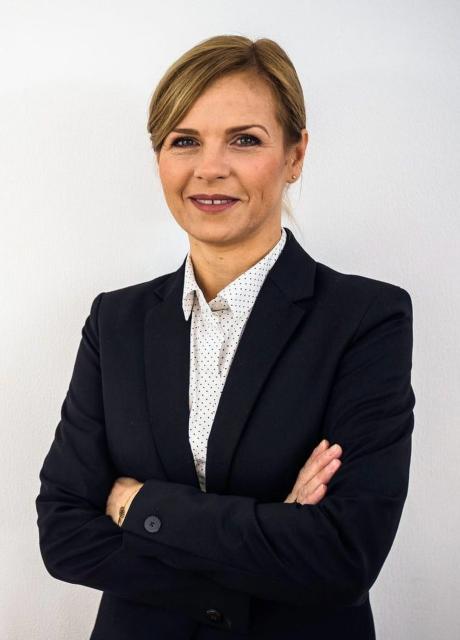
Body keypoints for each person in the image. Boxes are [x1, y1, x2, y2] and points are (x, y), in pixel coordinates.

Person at [35, 35, 415, 640]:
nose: (210, 168)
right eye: (185, 140)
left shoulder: (365, 318)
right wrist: (271, 535)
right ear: (159, 157)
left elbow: (342, 556)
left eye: (245, 140)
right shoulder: (116, 321)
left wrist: (138, 506)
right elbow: (64, 534)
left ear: (295, 155)